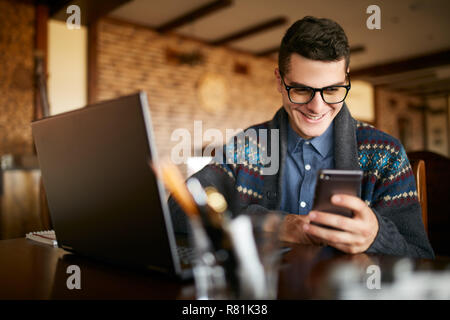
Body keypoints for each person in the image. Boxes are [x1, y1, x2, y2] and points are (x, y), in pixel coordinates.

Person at [170, 16, 434, 259]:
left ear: (346, 80)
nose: (317, 107)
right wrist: (277, 225)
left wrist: (378, 236)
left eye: (332, 90)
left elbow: (422, 257)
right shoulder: (248, 146)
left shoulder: (385, 153)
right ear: (279, 81)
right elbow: (178, 209)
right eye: (300, 90)